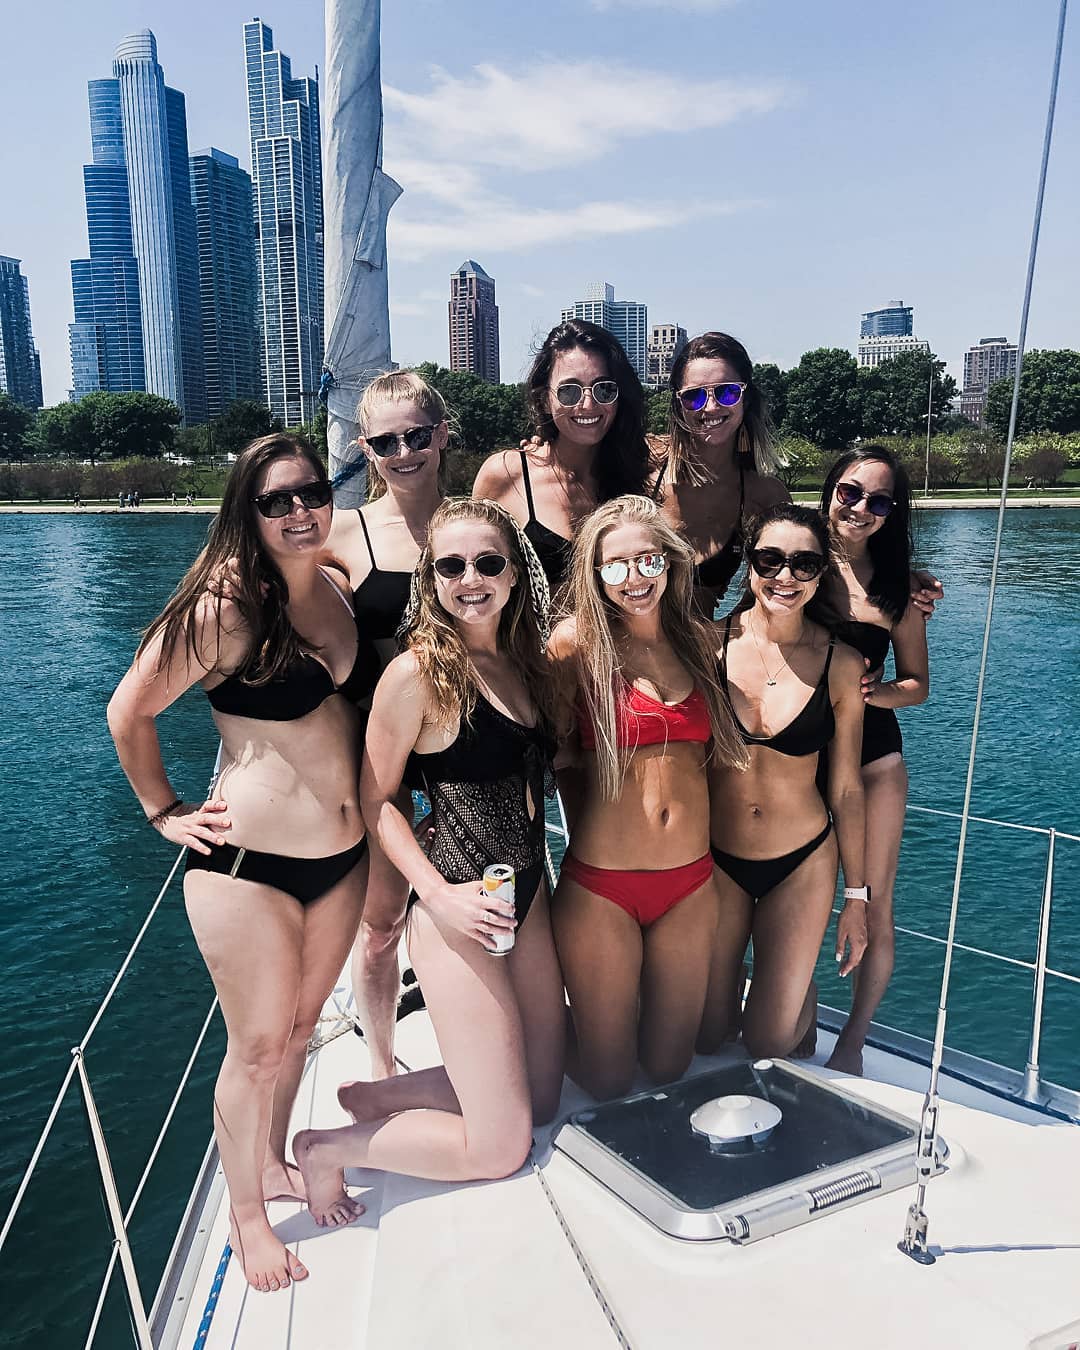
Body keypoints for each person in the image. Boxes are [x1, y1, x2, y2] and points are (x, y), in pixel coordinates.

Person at [107, 435, 375, 1293]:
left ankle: (270, 1163)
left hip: (341, 857)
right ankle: (248, 1218)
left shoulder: (332, 588)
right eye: (276, 501)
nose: (300, 511)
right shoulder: (224, 609)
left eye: (310, 493)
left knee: (300, 1032)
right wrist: (163, 809)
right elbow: (130, 710)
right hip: (246, 864)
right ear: (247, 514)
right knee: (256, 1047)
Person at [293, 498, 564, 1214]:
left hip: (525, 893)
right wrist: (436, 897)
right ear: (430, 578)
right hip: (455, 902)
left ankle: (374, 1096)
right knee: (501, 1147)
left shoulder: (525, 661)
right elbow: (378, 798)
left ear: (514, 573)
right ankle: (325, 1148)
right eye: (450, 566)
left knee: (544, 1094)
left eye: (487, 562)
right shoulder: (418, 674)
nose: (469, 579)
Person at [548, 495, 748, 1100]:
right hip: (602, 886)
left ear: (669, 563)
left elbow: (789, 598)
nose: (633, 578)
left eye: (646, 561)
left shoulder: (699, 643)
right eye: (615, 566)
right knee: (609, 1082)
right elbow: (544, 750)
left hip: (690, 885)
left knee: (668, 1067)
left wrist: (903, 586)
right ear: (594, 573)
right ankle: (533, 1028)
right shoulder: (574, 647)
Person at [698, 503, 869, 1059]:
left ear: (823, 571)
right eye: (769, 559)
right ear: (749, 563)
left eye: (804, 563)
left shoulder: (842, 662)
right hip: (718, 860)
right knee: (707, 1033)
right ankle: (771, 978)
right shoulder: (707, 646)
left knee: (767, 1042)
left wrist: (857, 898)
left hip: (802, 861)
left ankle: (796, 991)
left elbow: (845, 788)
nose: (785, 577)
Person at [322, 369, 451, 1079]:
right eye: (386, 440)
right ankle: (380, 1061)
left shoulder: (476, 525)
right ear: (366, 448)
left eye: (417, 435)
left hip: (469, 750)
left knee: (500, 900)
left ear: (441, 435)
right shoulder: (342, 531)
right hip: (384, 754)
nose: (404, 451)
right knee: (380, 926)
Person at [652, 331, 944, 620]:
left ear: (746, 399)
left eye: (727, 392)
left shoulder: (763, 494)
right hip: (619, 654)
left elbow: (817, 554)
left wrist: (899, 579)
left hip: (697, 655)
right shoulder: (646, 464)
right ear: (678, 404)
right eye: (694, 396)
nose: (711, 406)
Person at [818, 448, 929, 1075]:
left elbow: (918, 682)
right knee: (797, 893)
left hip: (874, 759)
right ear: (830, 490)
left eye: (879, 501)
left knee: (875, 900)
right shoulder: (793, 563)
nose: (861, 508)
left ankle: (853, 1042)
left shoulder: (900, 591)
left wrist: (872, 693)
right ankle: (791, 1015)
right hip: (798, 759)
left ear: (893, 514)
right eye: (850, 492)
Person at [472, 319, 652, 591]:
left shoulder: (641, 468)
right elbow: (470, 573)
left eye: (604, 388)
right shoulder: (507, 474)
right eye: (570, 391)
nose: (588, 404)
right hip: (537, 635)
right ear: (545, 399)